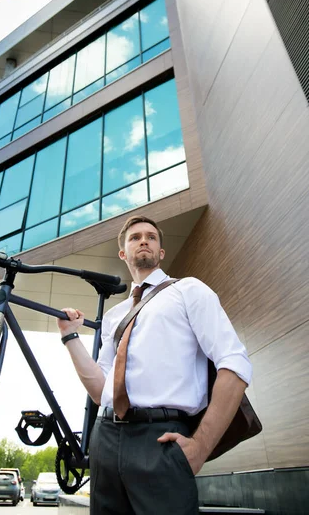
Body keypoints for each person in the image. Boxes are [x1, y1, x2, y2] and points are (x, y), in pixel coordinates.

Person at [58, 215, 252, 514]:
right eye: (135, 237)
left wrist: (200, 447)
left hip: (160, 438)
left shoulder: (188, 290)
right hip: (105, 438)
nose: (144, 240)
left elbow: (235, 363)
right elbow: (101, 392)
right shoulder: (114, 317)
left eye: (151, 236)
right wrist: (70, 337)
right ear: (123, 253)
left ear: (161, 252)